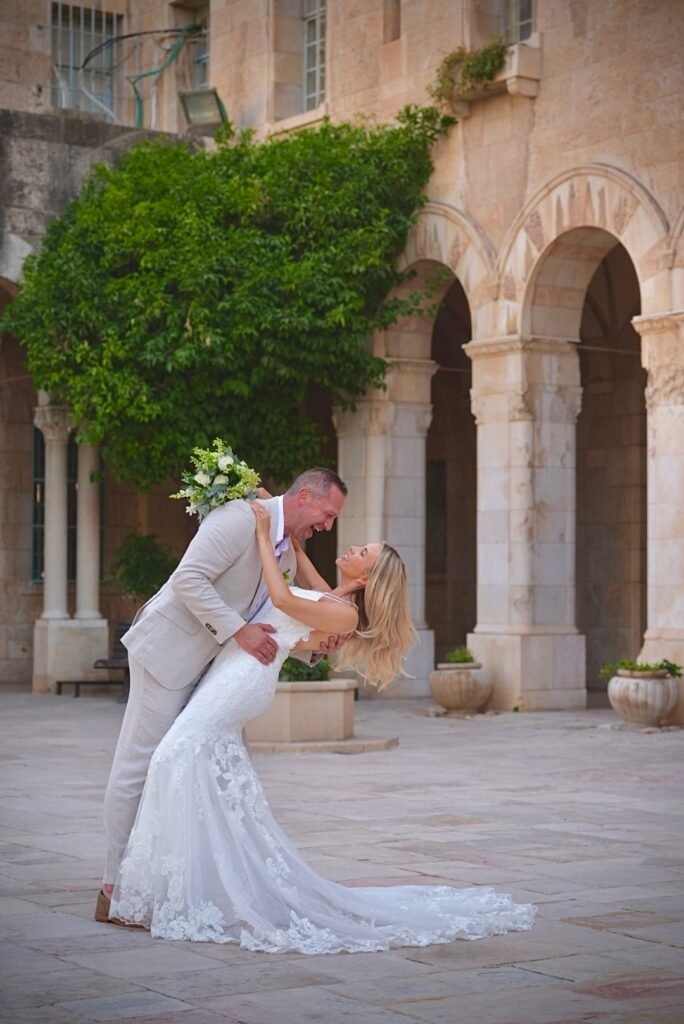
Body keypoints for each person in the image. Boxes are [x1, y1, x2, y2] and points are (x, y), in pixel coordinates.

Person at [107, 503, 536, 952]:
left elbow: (283, 599)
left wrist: (260, 535)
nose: (350, 546)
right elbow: (304, 570)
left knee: (175, 755)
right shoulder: (333, 597)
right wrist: (282, 525)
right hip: (234, 670)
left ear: (366, 578)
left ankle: (178, 885)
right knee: (185, 762)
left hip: (243, 678)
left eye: (361, 551)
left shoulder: (345, 615)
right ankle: (190, 880)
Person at [97, 467, 348, 924]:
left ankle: (176, 884)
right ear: (306, 496)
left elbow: (272, 623)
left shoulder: (286, 556)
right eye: (327, 515)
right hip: (168, 654)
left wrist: (316, 649)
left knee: (206, 769)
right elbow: (189, 580)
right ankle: (112, 889)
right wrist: (239, 630)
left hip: (212, 674)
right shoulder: (236, 518)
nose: (328, 526)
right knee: (139, 764)